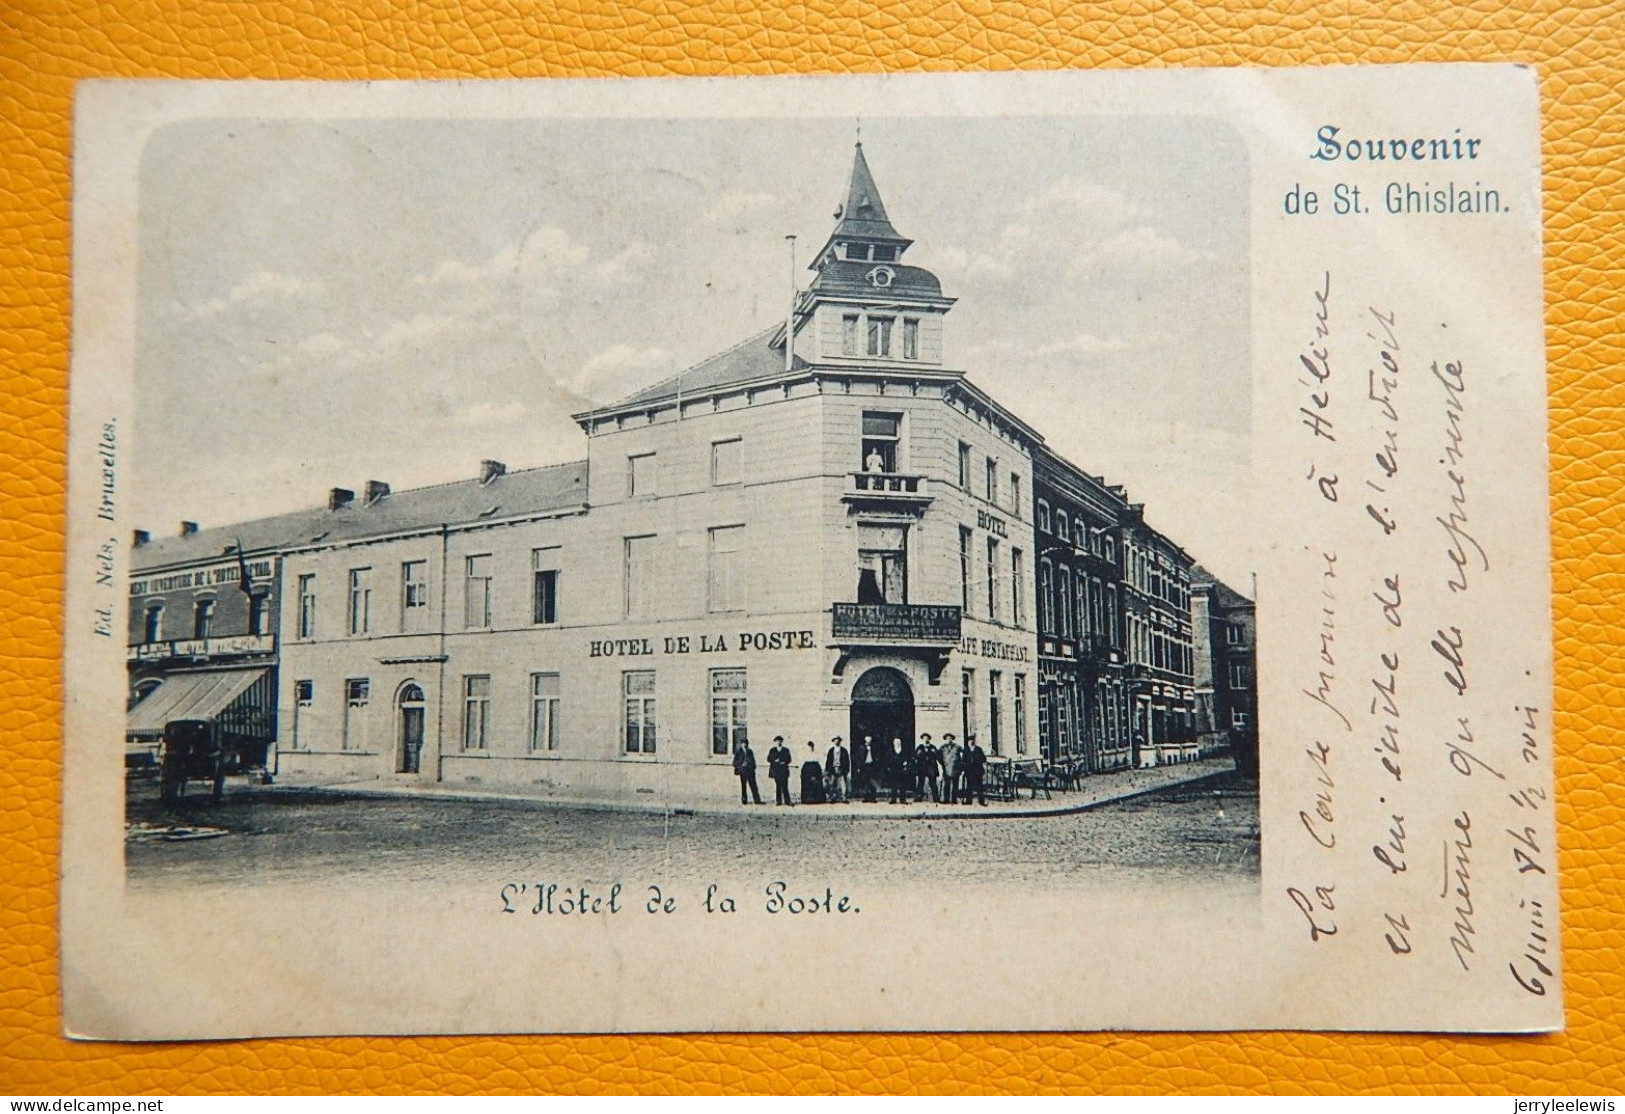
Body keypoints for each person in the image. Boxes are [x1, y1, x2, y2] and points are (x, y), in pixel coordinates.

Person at [733, 738, 762, 805]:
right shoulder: (738, 752)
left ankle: (757, 800)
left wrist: (752, 766)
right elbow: (734, 762)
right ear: (741, 744)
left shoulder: (750, 751)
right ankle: (744, 800)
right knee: (743, 786)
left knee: (753, 785)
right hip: (742, 771)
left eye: (746, 743)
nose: (745, 745)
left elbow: (753, 761)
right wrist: (741, 765)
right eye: (743, 743)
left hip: (750, 771)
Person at [767, 736, 794, 806]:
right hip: (776, 770)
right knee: (778, 786)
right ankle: (778, 801)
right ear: (775, 742)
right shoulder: (772, 750)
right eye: (777, 741)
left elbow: (789, 759)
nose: (778, 742)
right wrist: (774, 760)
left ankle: (787, 801)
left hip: (783, 770)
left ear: (782, 742)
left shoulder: (786, 750)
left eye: (780, 741)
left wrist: (784, 761)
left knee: (785, 785)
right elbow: (768, 759)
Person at [825, 735, 851, 803]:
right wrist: (828, 770)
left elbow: (847, 760)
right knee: (833, 784)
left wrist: (846, 769)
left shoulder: (843, 750)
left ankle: (844, 798)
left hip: (841, 768)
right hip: (833, 769)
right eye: (835, 740)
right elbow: (828, 761)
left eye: (838, 740)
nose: (836, 741)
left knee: (843, 784)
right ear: (833, 741)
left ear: (840, 741)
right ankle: (833, 797)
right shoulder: (831, 750)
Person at [963, 734, 988, 806]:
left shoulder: (978, 749)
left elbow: (984, 759)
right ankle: (968, 801)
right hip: (969, 771)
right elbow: (963, 760)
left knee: (979, 786)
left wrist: (977, 760)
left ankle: (981, 801)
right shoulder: (966, 750)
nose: (971, 742)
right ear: (968, 742)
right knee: (969, 786)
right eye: (970, 741)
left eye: (972, 741)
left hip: (977, 770)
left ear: (974, 741)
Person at [914, 733, 940, 803]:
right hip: (922, 767)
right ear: (922, 739)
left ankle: (936, 798)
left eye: (927, 738)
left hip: (931, 767)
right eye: (924, 738)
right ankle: (919, 797)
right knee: (920, 783)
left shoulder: (932, 747)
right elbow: (916, 756)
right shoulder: (920, 747)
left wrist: (934, 753)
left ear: (929, 739)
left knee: (933, 783)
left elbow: (937, 756)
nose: (926, 739)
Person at [938, 733, 962, 806]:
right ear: (945, 739)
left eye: (950, 738)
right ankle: (946, 799)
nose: (949, 740)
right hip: (946, 768)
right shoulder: (942, 747)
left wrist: (960, 765)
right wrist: (943, 763)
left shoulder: (957, 747)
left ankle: (954, 799)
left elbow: (963, 755)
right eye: (947, 738)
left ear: (952, 739)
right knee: (946, 785)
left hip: (955, 768)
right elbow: (938, 756)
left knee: (955, 785)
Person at [859, 734, 879, 803]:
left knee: (873, 782)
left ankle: (873, 798)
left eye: (870, 740)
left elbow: (877, 757)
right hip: (864, 766)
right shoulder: (861, 747)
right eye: (867, 740)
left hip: (872, 766)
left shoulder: (874, 748)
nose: (868, 742)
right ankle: (866, 798)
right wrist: (859, 767)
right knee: (865, 782)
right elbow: (859, 758)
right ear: (865, 740)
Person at [887, 737, 907, 804]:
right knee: (893, 785)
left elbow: (907, 758)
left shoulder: (904, 751)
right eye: (896, 742)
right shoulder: (890, 751)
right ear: (893, 743)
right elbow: (888, 759)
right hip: (893, 769)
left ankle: (902, 799)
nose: (897, 743)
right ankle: (893, 799)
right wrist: (888, 767)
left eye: (899, 742)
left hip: (902, 769)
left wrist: (906, 763)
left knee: (903, 785)